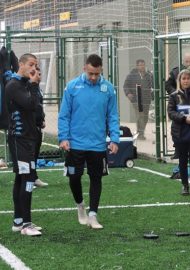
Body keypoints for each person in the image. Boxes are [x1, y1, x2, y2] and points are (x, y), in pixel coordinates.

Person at [58, 54, 119, 229]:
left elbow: (113, 116)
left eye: (97, 74)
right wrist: (63, 137)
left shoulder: (108, 89)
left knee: (96, 178)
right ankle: (80, 206)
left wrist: (114, 138)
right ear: (85, 68)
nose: (93, 77)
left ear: (101, 71)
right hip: (75, 143)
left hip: (97, 144)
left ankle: (93, 215)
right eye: (91, 73)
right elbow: (64, 115)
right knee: (74, 177)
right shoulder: (72, 87)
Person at [6, 53, 42, 236]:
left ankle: (18, 221)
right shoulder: (13, 85)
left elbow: (36, 106)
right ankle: (26, 225)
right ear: (20, 64)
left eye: (35, 64)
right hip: (19, 139)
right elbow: (29, 104)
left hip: (28, 138)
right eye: (30, 64)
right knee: (27, 179)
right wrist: (34, 85)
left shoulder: (26, 84)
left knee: (22, 178)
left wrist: (34, 85)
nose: (33, 68)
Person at [123, 59, 153, 140]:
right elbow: (125, 85)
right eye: (140, 65)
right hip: (136, 99)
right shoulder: (131, 75)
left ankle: (140, 131)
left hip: (146, 100)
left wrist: (152, 94)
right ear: (137, 66)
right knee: (140, 116)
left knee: (145, 117)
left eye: (143, 65)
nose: (142, 66)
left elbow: (153, 86)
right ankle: (141, 134)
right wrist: (128, 93)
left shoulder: (149, 75)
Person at [34, 65, 48, 187]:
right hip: (29, 128)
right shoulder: (27, 88)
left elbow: (39, 107)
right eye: (37, 74)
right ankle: (30, 178)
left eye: (40, 74)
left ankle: (34, 177)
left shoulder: (38, 89)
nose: (39, 76)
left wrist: (42, 119)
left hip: (38, 126)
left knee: (35, 153)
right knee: (30, 154)